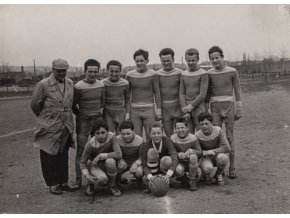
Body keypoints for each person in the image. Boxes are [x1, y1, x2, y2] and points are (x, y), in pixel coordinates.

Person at [31, 58, 78, 195]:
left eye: (64, 71)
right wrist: (46, 119)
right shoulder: (43, 84)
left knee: (63, 154)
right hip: (50, 124)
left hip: (66, 124)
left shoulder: (69, 83)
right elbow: (35, 104)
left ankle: (63, 181)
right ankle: (52, 183)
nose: (62, 73)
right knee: (48, 154)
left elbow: (71, 102)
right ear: (53, 70)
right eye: (59, 71)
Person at [206, 46, 242, 179]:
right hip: (214, 105)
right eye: (212, 58)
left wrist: (239, 108)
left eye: (217, 57)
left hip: (229, 105)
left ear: (222, 57)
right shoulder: (209, 73)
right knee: (215, 136)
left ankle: (232, 167)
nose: (215, 60)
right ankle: (219, 169)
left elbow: (237, 90)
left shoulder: (232, 71)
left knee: (230, 136)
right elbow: (208, 92)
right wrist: (206, 107)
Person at [72, 59, 105, 189]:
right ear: (85, 71)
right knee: (82, 150)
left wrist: (96, 114)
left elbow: (102, 103)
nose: (92, 74)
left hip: (97, 119)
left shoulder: (101, 85)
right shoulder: (78, 86)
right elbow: (73, 105)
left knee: (98, 149)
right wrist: (81, 115)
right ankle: (78, 180)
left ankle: (96, 179)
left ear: (98, 71)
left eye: (95, 72)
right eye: (90, 71)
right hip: (83, 120)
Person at [80, 119, 122, 197]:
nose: (100, 136)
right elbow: (82, 162)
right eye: (97, 133)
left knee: (110, 161)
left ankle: (112, 186)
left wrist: (101, 156)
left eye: (103, 132)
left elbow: (118, 154)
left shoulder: (112, 136)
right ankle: (91, 185)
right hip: (95, 166)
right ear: (94, 134)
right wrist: (87, 175)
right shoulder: (90, 144)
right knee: (91, 164)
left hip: (107, 164)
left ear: (107, 131)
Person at [125, 49, 162, 140]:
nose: (139, 63)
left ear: (147, 61)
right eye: (137, 61)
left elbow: (157, 93)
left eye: (142, 60)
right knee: (137, 137)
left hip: (149, 109)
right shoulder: (129, 75)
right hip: (135, 111)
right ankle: (139, 154)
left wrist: (158, 109)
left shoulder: (153, 74)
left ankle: (151, 154)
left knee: (151, 136)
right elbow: (127, 96)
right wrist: (127, 112)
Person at [195, 112, 231, 185]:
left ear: (212, 123)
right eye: (202, 124)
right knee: (208, 168)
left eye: (206, 123)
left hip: (216, 155)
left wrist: (211, 151)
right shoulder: (197, 135)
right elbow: (198, 152)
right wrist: (205, 154)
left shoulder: (218, 131)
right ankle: (206, 175)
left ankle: (218, 174)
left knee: (223, 157)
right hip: (205, 158)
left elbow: (227, 148)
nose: (204, 126)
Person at [141, 122, 178, 193]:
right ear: (149, 134)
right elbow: (144, 163)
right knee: (151, 151)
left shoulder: (167, 141)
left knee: (167, 159)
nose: (156, 135)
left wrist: (168, 175)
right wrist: (150, 176)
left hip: (164, 167)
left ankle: (166, 179)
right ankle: (154, 181)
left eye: (158, 133)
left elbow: (174, 158)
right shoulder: (146, 144)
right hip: (152, 170)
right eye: (153, 133)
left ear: (162, 133)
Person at [179, 48, 208, 133]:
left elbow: (202, 94)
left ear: (198, 59)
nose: (190, 63)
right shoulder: (183, 74)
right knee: (188, 133)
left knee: (201, 132)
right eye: (188, 60)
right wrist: (184, 108)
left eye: (193, 60)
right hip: (186, 108)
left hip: (198, 107)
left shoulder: (203, 73)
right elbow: (182, 93)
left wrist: (190, 107)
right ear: (185, 60)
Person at [156, 48, 183, 137]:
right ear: (160, 60)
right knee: (168, 135)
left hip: (177, 107)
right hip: (165, 109)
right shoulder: (157, 74)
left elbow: (183, 91)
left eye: (168, 60)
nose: (166, 63)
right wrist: (158, 109)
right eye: (163, 61)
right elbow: (156, 93)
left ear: (173, 59)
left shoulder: (180, 72)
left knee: (181, 132)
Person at [170, 117, 202, 191]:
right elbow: (171, 152)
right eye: (178, 128)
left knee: (193, 156)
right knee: (178, 170)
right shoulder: (173, 138)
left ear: (187, 128)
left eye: (182, 127)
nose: (180, 130)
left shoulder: (193, 138)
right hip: (181, 162)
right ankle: (183, 178)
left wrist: (191, 151)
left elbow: (200, 152)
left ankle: (192, 180)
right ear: (175, 129)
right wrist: (178, 154)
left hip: (192, 163)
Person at [101, 60, 130, 135]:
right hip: (108, 112)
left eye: (116, 71)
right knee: (109, 134)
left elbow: (127, 100)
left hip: (120, 111)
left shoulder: (125, 83)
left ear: (120, 71)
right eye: (112, 71)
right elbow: (101, 99)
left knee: (121, 133)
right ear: (108, 71)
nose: (114, 74)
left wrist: (127, 113)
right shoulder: (103, 83)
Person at [116, 120, 144, 187]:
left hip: (134, 162)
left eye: (128, 133)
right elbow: (114, 153)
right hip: (123, 163)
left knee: (139, 171)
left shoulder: (140, 140)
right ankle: (116, 182)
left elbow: (142, 156)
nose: (126, 136)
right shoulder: (117, 140)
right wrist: (120, 159)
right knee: (112, 166)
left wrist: (136, 163)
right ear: (120, 133)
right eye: (123, 134)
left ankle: (138, 180)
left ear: (133, 131)